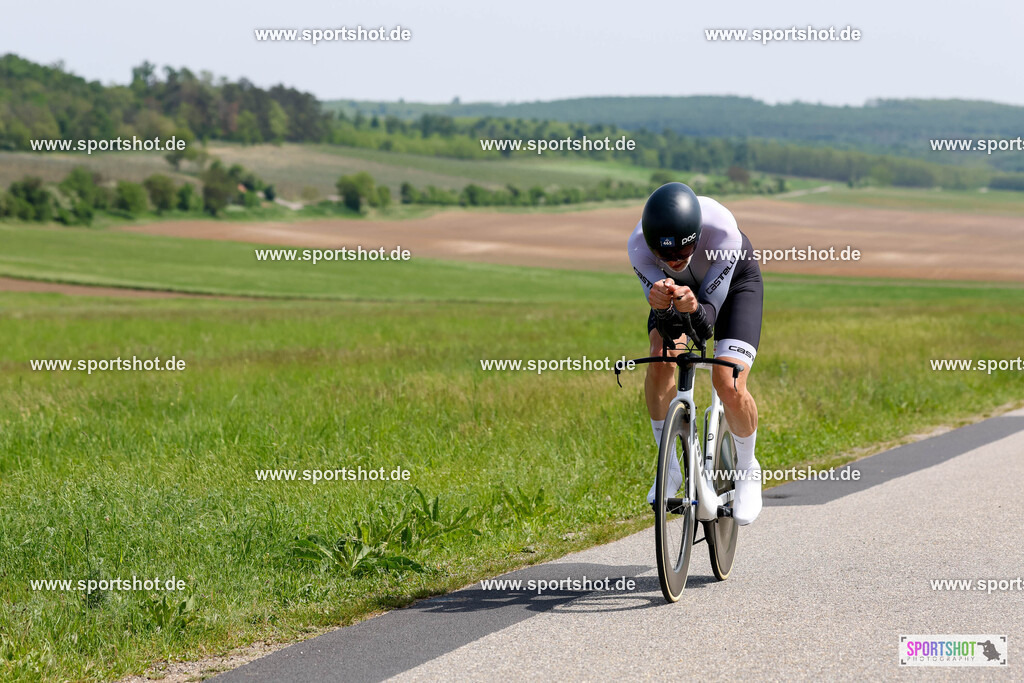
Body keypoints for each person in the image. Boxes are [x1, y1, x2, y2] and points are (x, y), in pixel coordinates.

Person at [627, 182, 764, 525]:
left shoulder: (723, 235)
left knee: (727, 380)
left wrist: (693, 307)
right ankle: (669, 468)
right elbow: (670, 324)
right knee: (660, 359)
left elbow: (706, 324)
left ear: (697, 236)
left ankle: (748, 470)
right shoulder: (638, 246)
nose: (674, 263)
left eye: (682, 256)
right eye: (666, 258)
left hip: (732, 288)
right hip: (679, 298)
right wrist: (661, 303)